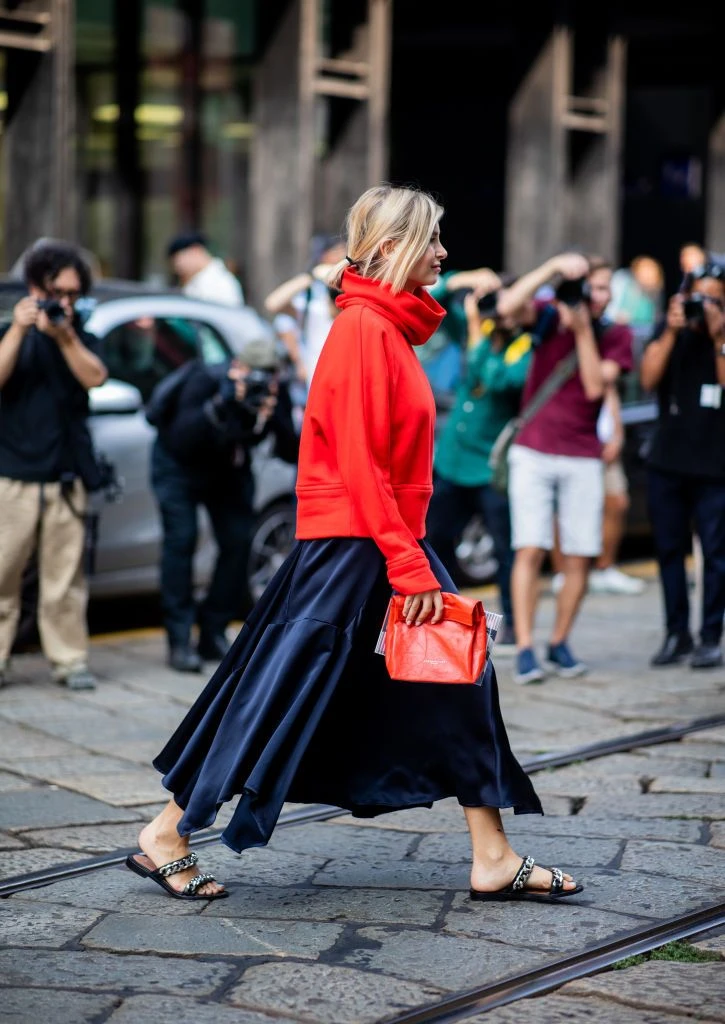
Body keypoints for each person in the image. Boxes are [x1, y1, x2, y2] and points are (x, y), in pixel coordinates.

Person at [124, 184, 580, 903]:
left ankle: (491, 854)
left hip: (377, 537)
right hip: (357, 543)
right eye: (431, 239)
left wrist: (404, 553)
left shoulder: (380, 325)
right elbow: (362, 463)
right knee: (276, 686)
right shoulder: (364, 330)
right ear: (393, 249)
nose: (443, 252)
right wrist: (407, 565)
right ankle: (166, 831)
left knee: (454, 676)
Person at [499, 255, 633, 684]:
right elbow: (505, 306)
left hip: (582, 455)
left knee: (579, 554)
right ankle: (524, 647)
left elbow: (596, 385)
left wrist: (581, 334)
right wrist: (552, 267)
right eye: (590, 287)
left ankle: (560, 641)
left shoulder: (617, 333)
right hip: (533, 451)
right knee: (530, 548)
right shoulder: (544, 315)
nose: (597, 295)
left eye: (604, 288)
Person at [147, 334, 299, 673]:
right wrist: (225, 403)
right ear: (236, 367)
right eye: (252, 373)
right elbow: (182, 438)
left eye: (267, 375)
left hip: (227, 471)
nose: (259, 380)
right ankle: (179, 637)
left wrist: (270, 414)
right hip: (178, 467)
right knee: (181, 541)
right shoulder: (207, 381)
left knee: (238, 540)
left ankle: (213, 629)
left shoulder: (275, 392)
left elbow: (291, 451)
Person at [0, 241, 108, 690]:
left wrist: (64, 335)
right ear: (33, 288)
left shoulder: (79, 332)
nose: (64, 302)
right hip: (13, 475)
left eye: (72, 294)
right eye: (56, 293)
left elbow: (95, 377)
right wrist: (20, 330)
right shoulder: (11, 331)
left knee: (64, 580)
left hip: (65, 475)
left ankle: (69, 660)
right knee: (2, 576)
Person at [427, 284, 535, 646]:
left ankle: (514, 625)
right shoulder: (480, 328)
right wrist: (470, 283)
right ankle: (441, 616)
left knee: (505, 551)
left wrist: (476, 331)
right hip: (452, 461)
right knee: (434, 540)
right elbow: (436, 302)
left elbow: (495, 379)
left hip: (489, 468)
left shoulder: (528, 347)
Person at [640, 260, 725, 669]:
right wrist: (673, 331)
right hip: (667, 461)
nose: (703, 304)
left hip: (716, 465)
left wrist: (718, 334)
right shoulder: (668, 329)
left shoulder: (721, 334)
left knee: (715, 553)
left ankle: (711, 636)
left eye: (713, 297)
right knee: (668, 550)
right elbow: (647, 379)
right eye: (698, 296)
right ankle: (677, 633)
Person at [550, 385, 646, 596]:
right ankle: (562, 572)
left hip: (601, 444)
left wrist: (617, 436)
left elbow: (608, 389)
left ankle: (604, 569)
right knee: (562, 509)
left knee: (616, 502)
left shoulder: (606, 361)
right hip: (570, 443)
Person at [264, 234, 346, 393]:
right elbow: (273, 304)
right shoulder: (311, 300)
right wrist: (312, 276)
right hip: (314, 378)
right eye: (336, 251)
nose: (340, 257)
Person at [166, 231, 245, 307]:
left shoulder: (217, 283)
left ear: (195, 250)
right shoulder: (202, 280)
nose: (178, 269)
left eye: (179, 261)